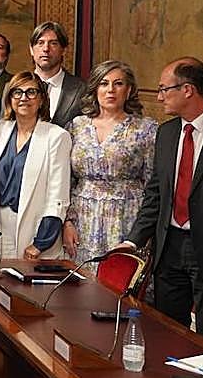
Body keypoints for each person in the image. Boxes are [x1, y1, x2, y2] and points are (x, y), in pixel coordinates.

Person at [120, 57, 203, 343]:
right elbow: (156, 194)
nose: (158, 98)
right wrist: (133, 240)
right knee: (166, 331)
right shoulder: (167, 132)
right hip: (169, 247)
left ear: (187, 90)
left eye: (163, 89)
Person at [62, 61, 157, 266]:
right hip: (82, 218)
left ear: (129, 90)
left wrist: (142, 233)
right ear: (95, 88)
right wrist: (67, 222)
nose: (111, 90)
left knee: (119, 284)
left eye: (118, 84)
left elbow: (153, 184)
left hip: (126, 218)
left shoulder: (145, 129)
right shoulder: (77, 125)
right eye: (104, 83)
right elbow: (66, 180)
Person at [0, 72, 72, 261]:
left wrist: (41, 243)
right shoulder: (0, 129)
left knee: (27, 288)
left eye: (31, 92)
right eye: (17, 92)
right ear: (10, 98)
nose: (23, 98)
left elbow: (58, 194)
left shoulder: (56, 137)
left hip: (35, 228)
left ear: (42, 99)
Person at [30, 21, 85, 129]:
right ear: (31, 49)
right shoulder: (13, 86)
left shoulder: (81, 89)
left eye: (53, 43)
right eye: (40, 43)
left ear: (63, 50)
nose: (46, 49)